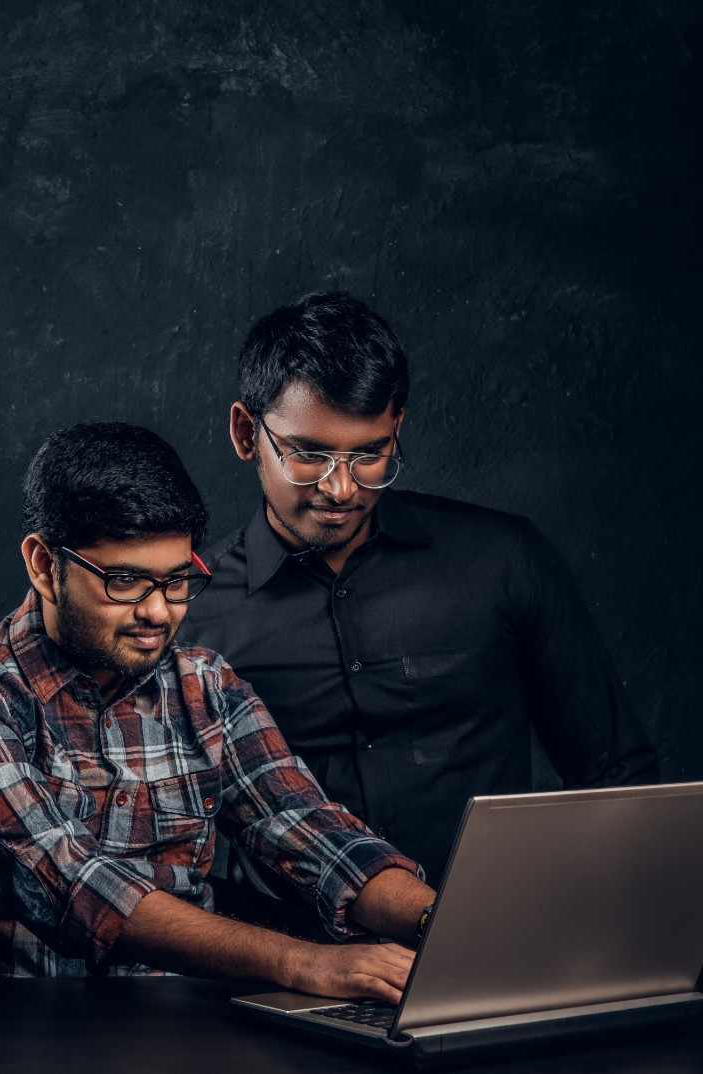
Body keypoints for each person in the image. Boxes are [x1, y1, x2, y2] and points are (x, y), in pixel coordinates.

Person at [0, 422, 436, 1000]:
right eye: (125, 581)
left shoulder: (206, 687)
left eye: (176, 582)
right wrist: (302, 963)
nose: (158, 612)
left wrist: (443, 925)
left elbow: (311, 830)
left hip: (181, 1032)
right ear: (45, 566)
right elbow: (69, 882)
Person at [180, 292, 658, 898]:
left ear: (397, 427)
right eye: (308, 454)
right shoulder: (189, 614)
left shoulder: (501, 559)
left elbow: (615, 774)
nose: (341, 488)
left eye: (370, 454)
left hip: (493, 944)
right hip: (292, 970)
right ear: (247, 434)